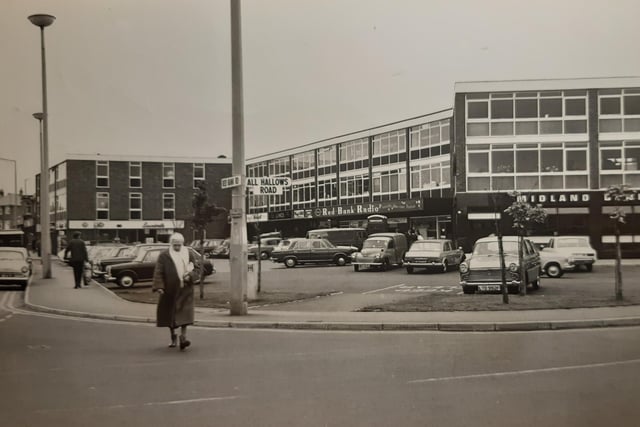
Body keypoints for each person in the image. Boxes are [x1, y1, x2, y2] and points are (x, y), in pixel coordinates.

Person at [152, 232, 201, 350]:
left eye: (179, 245)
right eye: (175, 245)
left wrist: (191, 276)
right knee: (171, 315)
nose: (177, 247)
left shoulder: (188, 253)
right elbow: (159, 272)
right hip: (170, 290)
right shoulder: (164, 255)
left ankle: (183, 338)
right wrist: (159, 287)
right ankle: (173, 336)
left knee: (185, 314)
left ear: (182, 244)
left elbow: (197, 269)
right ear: (171, 244)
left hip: (186, 289)